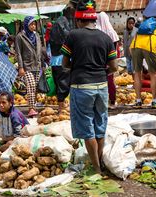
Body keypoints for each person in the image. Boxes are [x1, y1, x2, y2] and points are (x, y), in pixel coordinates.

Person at [61, 0, 118, 174]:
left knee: (87, 129)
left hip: (81, 86)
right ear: (95, 20)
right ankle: (99, 161)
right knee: (100, 126)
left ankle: (96, 168)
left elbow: (65, 64)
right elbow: (114, 67)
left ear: (79, 20)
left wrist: (78, 66)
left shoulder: (73, 35)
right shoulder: (106, 38)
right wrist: (100, 69)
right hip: (101, 86)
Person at [130, 17, 156, 109]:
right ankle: (154, 101)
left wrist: (139, 61)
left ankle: (138, 101)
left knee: (137, 74)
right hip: (149, 47)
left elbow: (130, 48)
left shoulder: (142, 29)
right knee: (154, 74)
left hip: (134, 47)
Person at [15, 16, 42, 117]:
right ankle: (31, 109)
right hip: (27, 65)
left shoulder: (37, 35)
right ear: (26, 24)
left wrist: (42, 63)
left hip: (37, 65)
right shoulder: (20, 36)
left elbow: (39, 49)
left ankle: (33, 107)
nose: (33, 26)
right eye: (31, 24)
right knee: (30, 86)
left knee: (34, 87)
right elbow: (18, 53)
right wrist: (21, 67)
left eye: (34, 24)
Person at [96, 12, 120, 109]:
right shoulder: (111, 32)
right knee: (110, 80)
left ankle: (102, 101)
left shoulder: (97, 31)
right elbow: (115, 46)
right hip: (110, 59)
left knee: (100, 81)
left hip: (99, 60)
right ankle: (112, 101)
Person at [49, 16, 71, 113]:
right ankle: (63, 106)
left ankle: (60, 105)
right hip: (64, 61)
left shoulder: (52, 36)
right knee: (65, 84)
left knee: (58, 84)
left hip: (54, 62)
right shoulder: (67, 34)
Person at [123, 16, 137, 84]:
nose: (131, 25)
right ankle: (130, 80)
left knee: (133, 67)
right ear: (127, 23)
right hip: (126, 51)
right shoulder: (125, 31)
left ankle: (134, 81)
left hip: (134, 51)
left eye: (133, 23)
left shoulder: (136, 31)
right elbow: (124, 41)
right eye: (129, 23)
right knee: (128, 67)